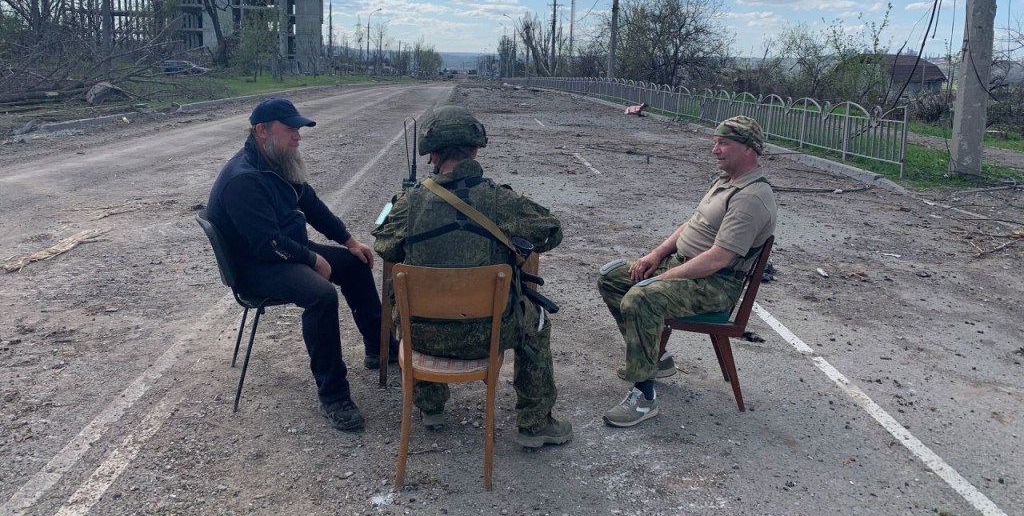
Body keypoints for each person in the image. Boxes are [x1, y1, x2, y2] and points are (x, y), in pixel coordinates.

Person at [372, 105, 573, 448]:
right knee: (537, 322)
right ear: (476, 150)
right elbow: (552, 231)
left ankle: (431, 407)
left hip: (423, 336)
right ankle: (535, 424)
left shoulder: (410, 203)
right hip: (490, 333)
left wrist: (404, 202)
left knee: (408, 301)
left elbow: (384, 244)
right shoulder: (500, 200)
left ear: (432, 154)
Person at [206, 97, 397, 432]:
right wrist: (311, 259)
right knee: (320, 295)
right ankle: (334, 396)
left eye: (298, 129)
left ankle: (380, 348)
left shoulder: (277, 161)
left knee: (357, 263)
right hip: (256, 266)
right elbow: (266, 245)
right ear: (262, 131)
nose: (297, 136)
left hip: (283, 248)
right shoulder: (243, 179)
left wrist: (348, 242)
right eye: (290, 129)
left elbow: (311, 205)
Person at [597, 115, 777, 428]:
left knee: (641, 298)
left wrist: (659, 279)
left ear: (749, 150)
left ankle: (644, 398)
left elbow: (717, 259)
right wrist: (654, 256)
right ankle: (656, 359)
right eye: (714, 142)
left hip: (714, 285)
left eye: (724, 143)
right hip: (686, 267)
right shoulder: (726, 181)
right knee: (612, 278)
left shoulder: (751, 198)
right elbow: (691, 225)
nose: (715, 150)